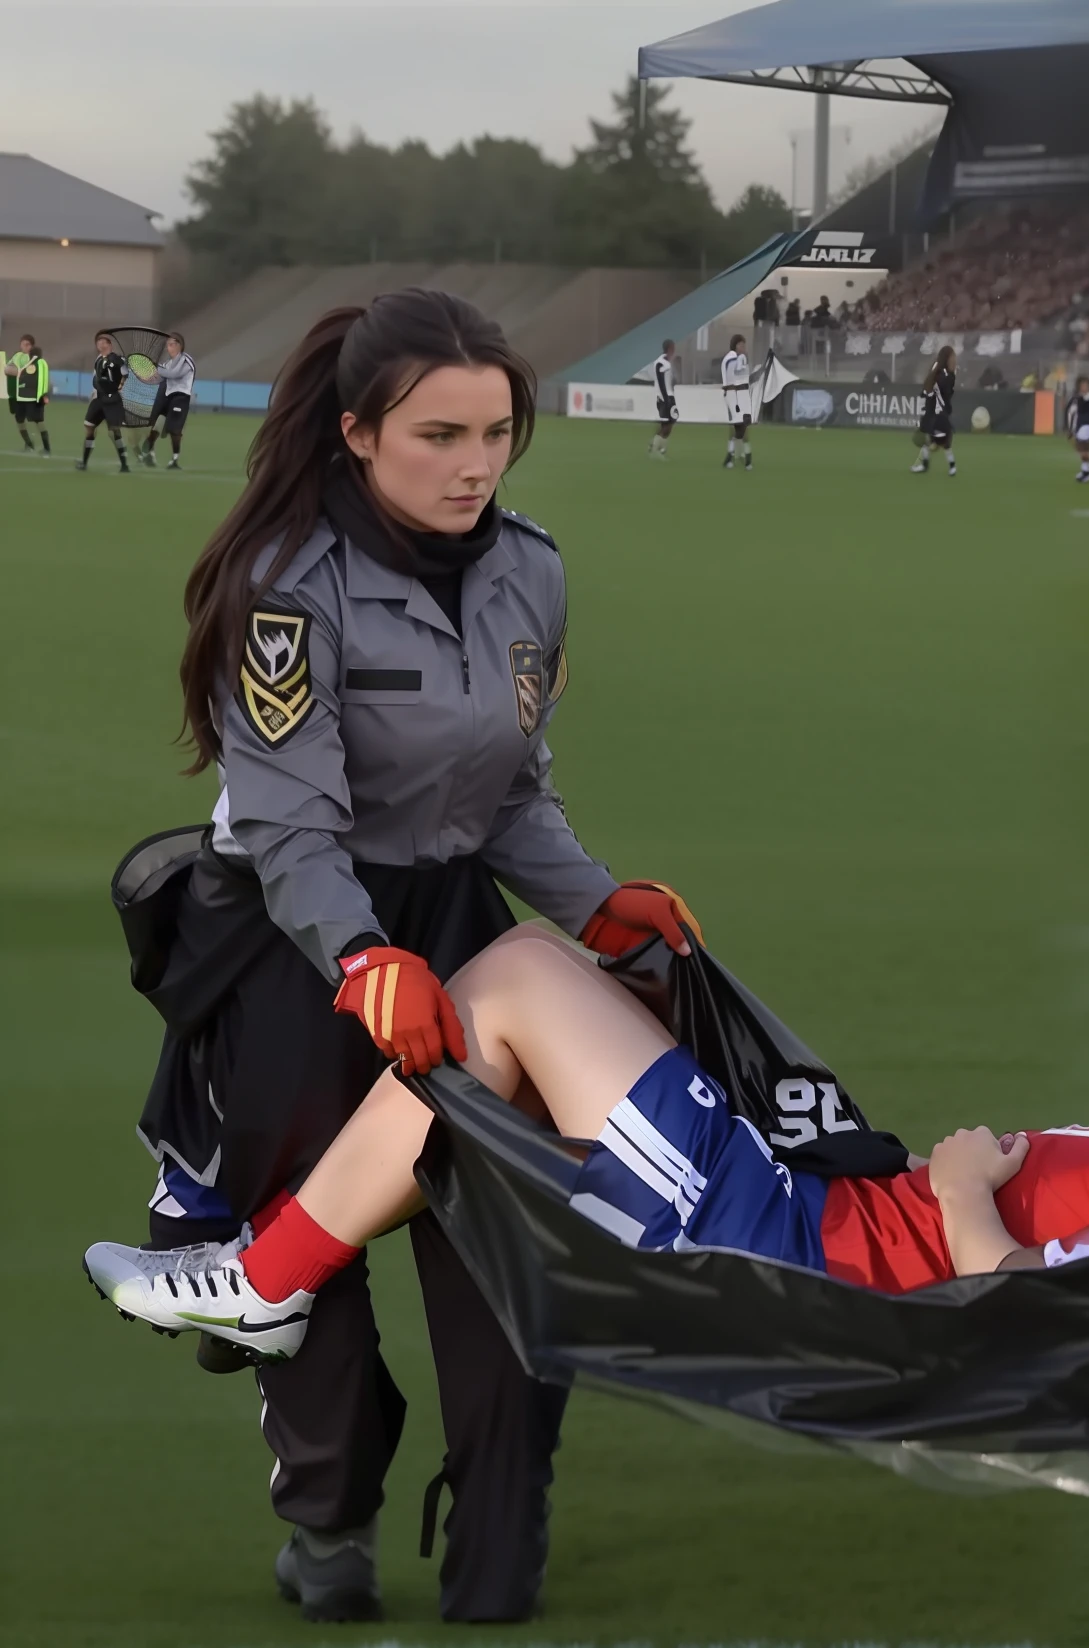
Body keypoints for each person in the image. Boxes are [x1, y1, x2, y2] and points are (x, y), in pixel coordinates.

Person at [123, 289, 703, 1625]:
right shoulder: (286, 592)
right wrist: (363, 959)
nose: (476, 463)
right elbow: (290, 825)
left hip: (459, 924)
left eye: (497, 431)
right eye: (439, 433)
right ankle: (328, 1521)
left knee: (501, 1239)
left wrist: (598, 904)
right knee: (310, 1238)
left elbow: (510, 798)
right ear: (357, 434)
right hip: (293, 932)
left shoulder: (535, 572)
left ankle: (499, 1535)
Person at [88, 929, 1089, 1353]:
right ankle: (275, 1265)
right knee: (531, 1011)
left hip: (790, 1252)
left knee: (507, 985)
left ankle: (266, 1277)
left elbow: (1030, 1320)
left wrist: (966, 1187)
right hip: (815, 1217)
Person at [139, 332, 197, 470]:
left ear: (179, 345)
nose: (169, 348)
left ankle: (174, 459)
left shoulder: (186, 360)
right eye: (168, 345)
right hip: (167, 395)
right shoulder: (167, 363)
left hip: (180, 396)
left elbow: (174, 374)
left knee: (174, 429)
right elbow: (159, 376)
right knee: (155, 425)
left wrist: (156, 367)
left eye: (171, 344)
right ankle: (149, 453)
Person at [77, 331, 130, 472]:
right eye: (98, 342)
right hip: (99, 398)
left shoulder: (118, 359)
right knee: (89, 427)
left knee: (114, 432)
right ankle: (84, 462)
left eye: (103, 342)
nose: (100, 344)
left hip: (112, 399)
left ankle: (124, 464)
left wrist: (120, 385)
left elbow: (125, 373)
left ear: (109, 345)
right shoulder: (99, 359)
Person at [912, 345, 957, 476]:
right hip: (934, 412)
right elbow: (928, 391)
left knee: (942, 441)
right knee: (936, 441)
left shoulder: (948, 375)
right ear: (946, 359)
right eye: (952, 357)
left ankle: (950, 466)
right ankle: (946, 466)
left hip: (940, 412)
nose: (954, 360)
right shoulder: (940, 375)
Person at [7, 333, 51, 455]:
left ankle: (47, 447)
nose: (25, 347)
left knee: (37, 420)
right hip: (17, 394)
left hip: (31, 395)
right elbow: (7, 369)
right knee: (19, 419)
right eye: (23, 344)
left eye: (27, 345)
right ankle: (29, 444)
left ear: (32, 346)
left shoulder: (35, 359)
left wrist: (17, 372)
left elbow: (27, 374)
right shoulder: (17, 356)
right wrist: (17, 372)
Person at [719, 332, 753, 470]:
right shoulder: (734, 359)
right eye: (741, 344)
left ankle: (732, 456)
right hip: (735, 395)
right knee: (741, 426)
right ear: (736, 345)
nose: (744, 347)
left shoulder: (731, 358)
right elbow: (735, 379)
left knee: (736, 427)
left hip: (732, 394)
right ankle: (746, 457)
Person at [648, 338, 677, 459]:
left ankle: (656, 445)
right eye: (673, 348)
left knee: (670, 421)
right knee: (667, 424)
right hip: (665, 398)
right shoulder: (662, 363)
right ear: (670, 348)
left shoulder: (665, 362)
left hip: (668, 397)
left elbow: (666, 381)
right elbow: (660, 382)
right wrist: (666, 398)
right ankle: (656, 450)